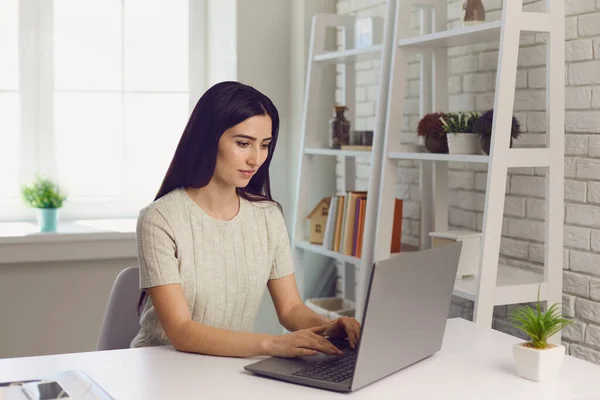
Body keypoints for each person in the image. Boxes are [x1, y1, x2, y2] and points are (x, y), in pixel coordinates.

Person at [130, 81, 361, 358]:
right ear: (208, 138)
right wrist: (272, 345)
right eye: (243, 143)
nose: (256, 159)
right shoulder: (159, 219)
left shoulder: (268, 216)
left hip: (226, 368)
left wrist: (330, 327)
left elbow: (290, 310)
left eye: (264, 145)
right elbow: (181, 331)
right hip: (162, 369)